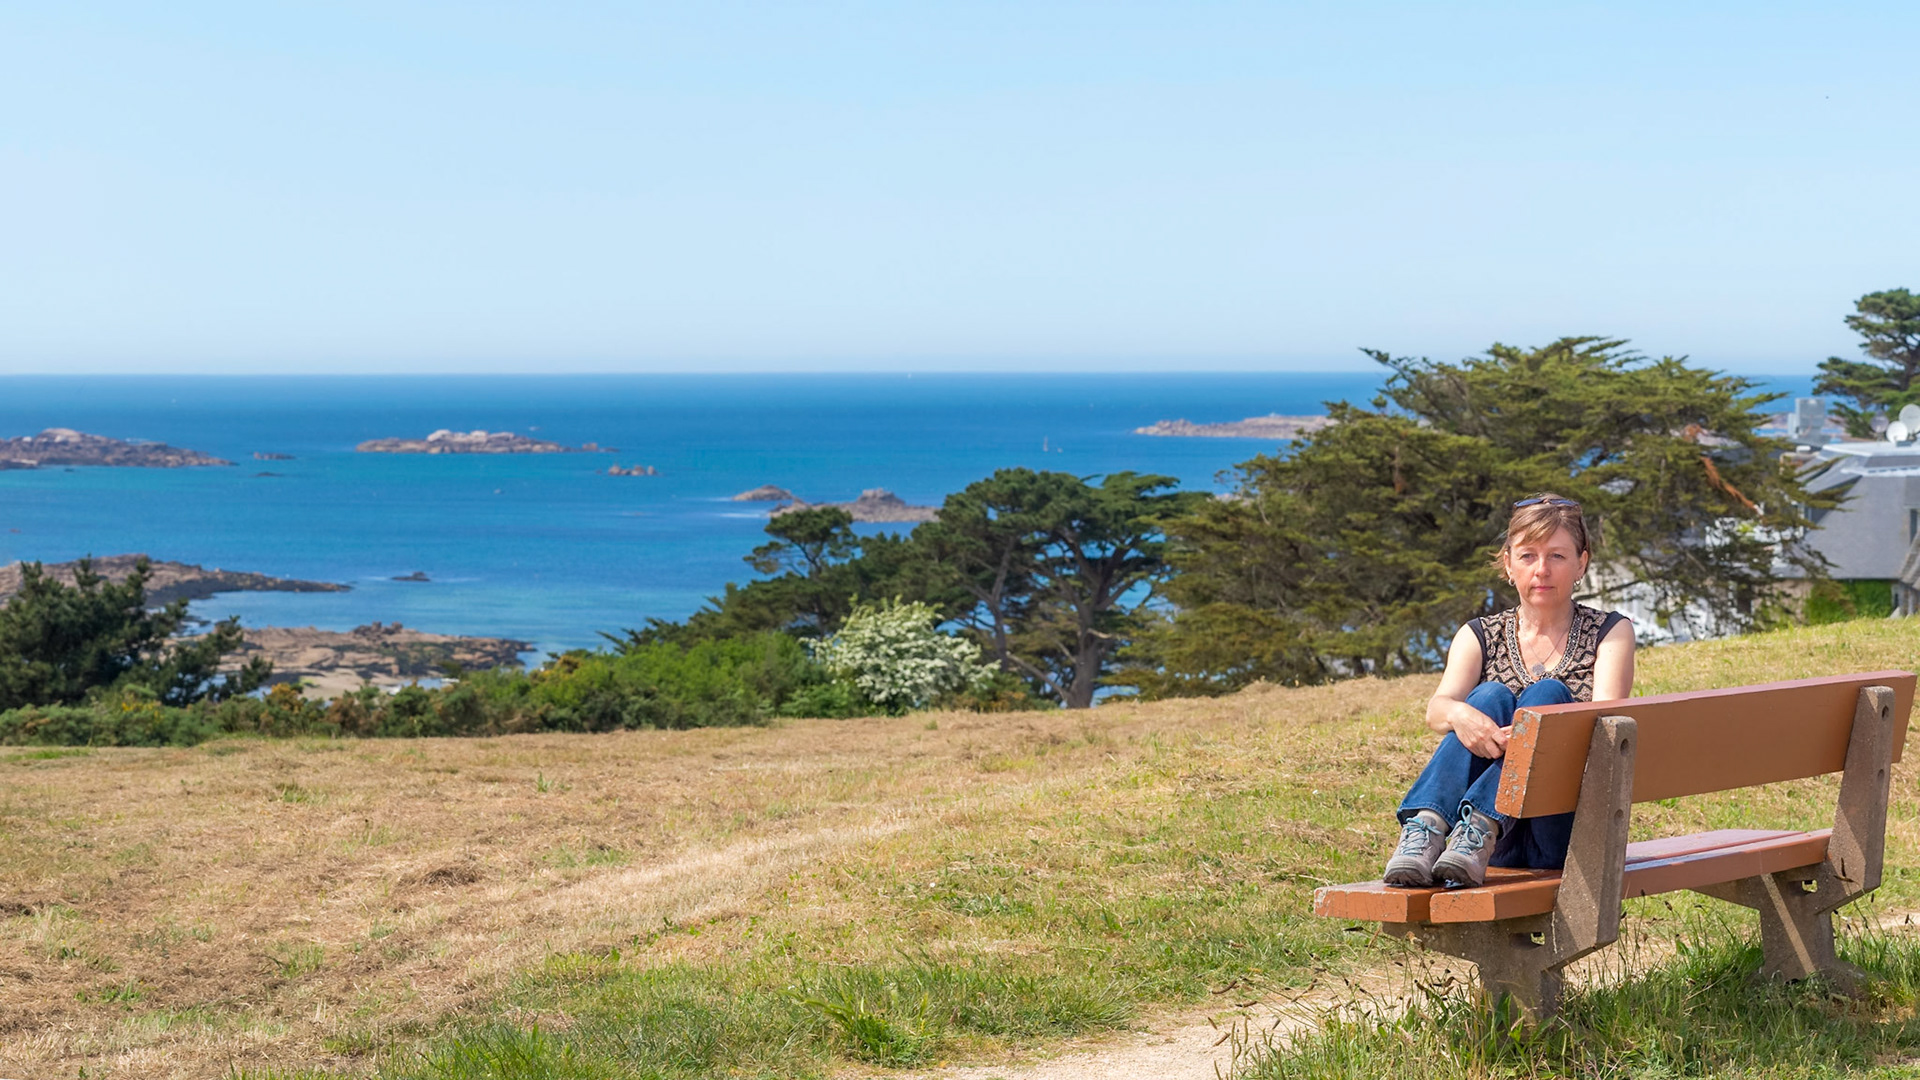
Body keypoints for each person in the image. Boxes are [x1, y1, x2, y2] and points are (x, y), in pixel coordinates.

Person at [1383, 494, 1635, 888]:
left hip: (1563, 832)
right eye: (1528, 556)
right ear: (1508, 564)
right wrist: (1463, 716)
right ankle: (1428, 828)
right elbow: (1437, 710)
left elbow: (1605, 728)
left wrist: (1529, 739)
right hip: (1480, 850)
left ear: (1581, 563)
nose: (1541, 570)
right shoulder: (1479, 635)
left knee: (1547, 695)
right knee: (1487, 698)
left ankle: (1478, 820)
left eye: (1557, 556)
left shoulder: (1610, 632)